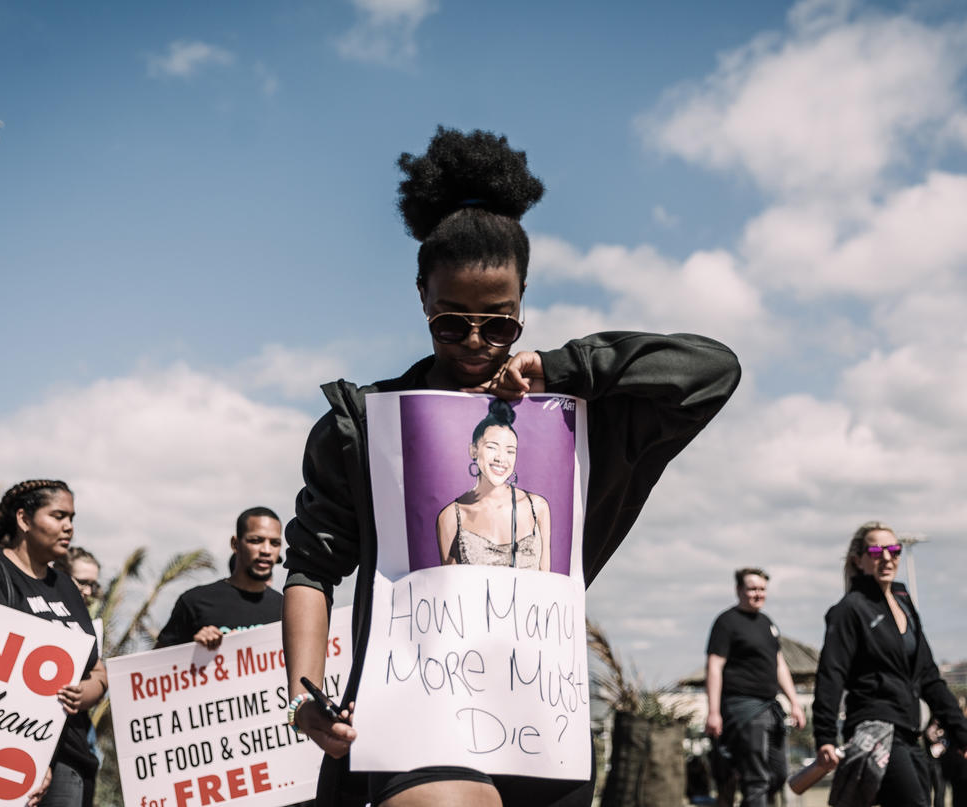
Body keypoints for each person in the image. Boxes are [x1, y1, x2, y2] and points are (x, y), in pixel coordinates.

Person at [281, 126, 741, 807]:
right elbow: (314, 566)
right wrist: (304, 693)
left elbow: (712, 371)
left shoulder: (576, 419)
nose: (475, 342)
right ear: (421, 297)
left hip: (540, 717)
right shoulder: (365, 428)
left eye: (498, 324)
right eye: (451, 322)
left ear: (524, 301)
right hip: (416, 711)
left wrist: (566, 367)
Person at [0, 480, 107, 807]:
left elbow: (95, 665)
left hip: (69, 758)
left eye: (71, 517)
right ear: (24, 520)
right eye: (58, 516)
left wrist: (90, 691)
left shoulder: (67, 588)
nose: (69, 526)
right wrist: (28, 759)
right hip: (3, 759)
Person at [812, 521, 967, 807]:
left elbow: (930, 677)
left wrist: (961, 732)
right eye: (876, 550)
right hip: (874, 729)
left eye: (894, 550)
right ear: (858, 560)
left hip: (909, 731)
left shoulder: (904, 604)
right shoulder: (850, 609)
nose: (887, 557)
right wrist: (824, 736)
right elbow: (831, 673)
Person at [704, 567, 806, 807]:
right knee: (757, 778)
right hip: (743, 708)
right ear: (739, 590)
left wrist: (794, 702)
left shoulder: (767, 623)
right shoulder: (726, 622)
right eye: (752, 589)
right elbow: (714, 667)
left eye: (762, 589)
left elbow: (779, 664)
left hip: (770, 707)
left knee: (778, 775)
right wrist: (713, 711)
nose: (758, 594)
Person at [436, 397, 551, 570]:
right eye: (492, 447)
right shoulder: (450, 517)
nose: (501, 458)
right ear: (473, 450)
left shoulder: (537, 507)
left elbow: (547, 581)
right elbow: (451, 591)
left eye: (510, 451)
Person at [155, 506, 283, 649]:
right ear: (235, 544)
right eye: (256, 540)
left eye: (275, 543)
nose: (266, 550)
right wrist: (193, 649)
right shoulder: (194, 601)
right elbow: (154, 666)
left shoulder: (287, 609)